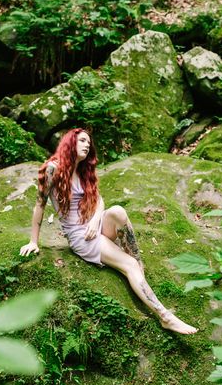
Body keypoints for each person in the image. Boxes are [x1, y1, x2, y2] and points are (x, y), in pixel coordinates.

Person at [20, 128, 197, 335]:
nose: (87, 145)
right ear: (70, 143)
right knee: (128, 265)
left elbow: (100, 200)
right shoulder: (53, 169)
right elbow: (40, 205)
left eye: (89, 142)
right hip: (81, 236)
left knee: (118, 212)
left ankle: (138, 261)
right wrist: (34, 241)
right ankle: (165, 317)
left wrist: (96, 220)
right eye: (82, 140)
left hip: (94, 227)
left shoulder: (83, 170)